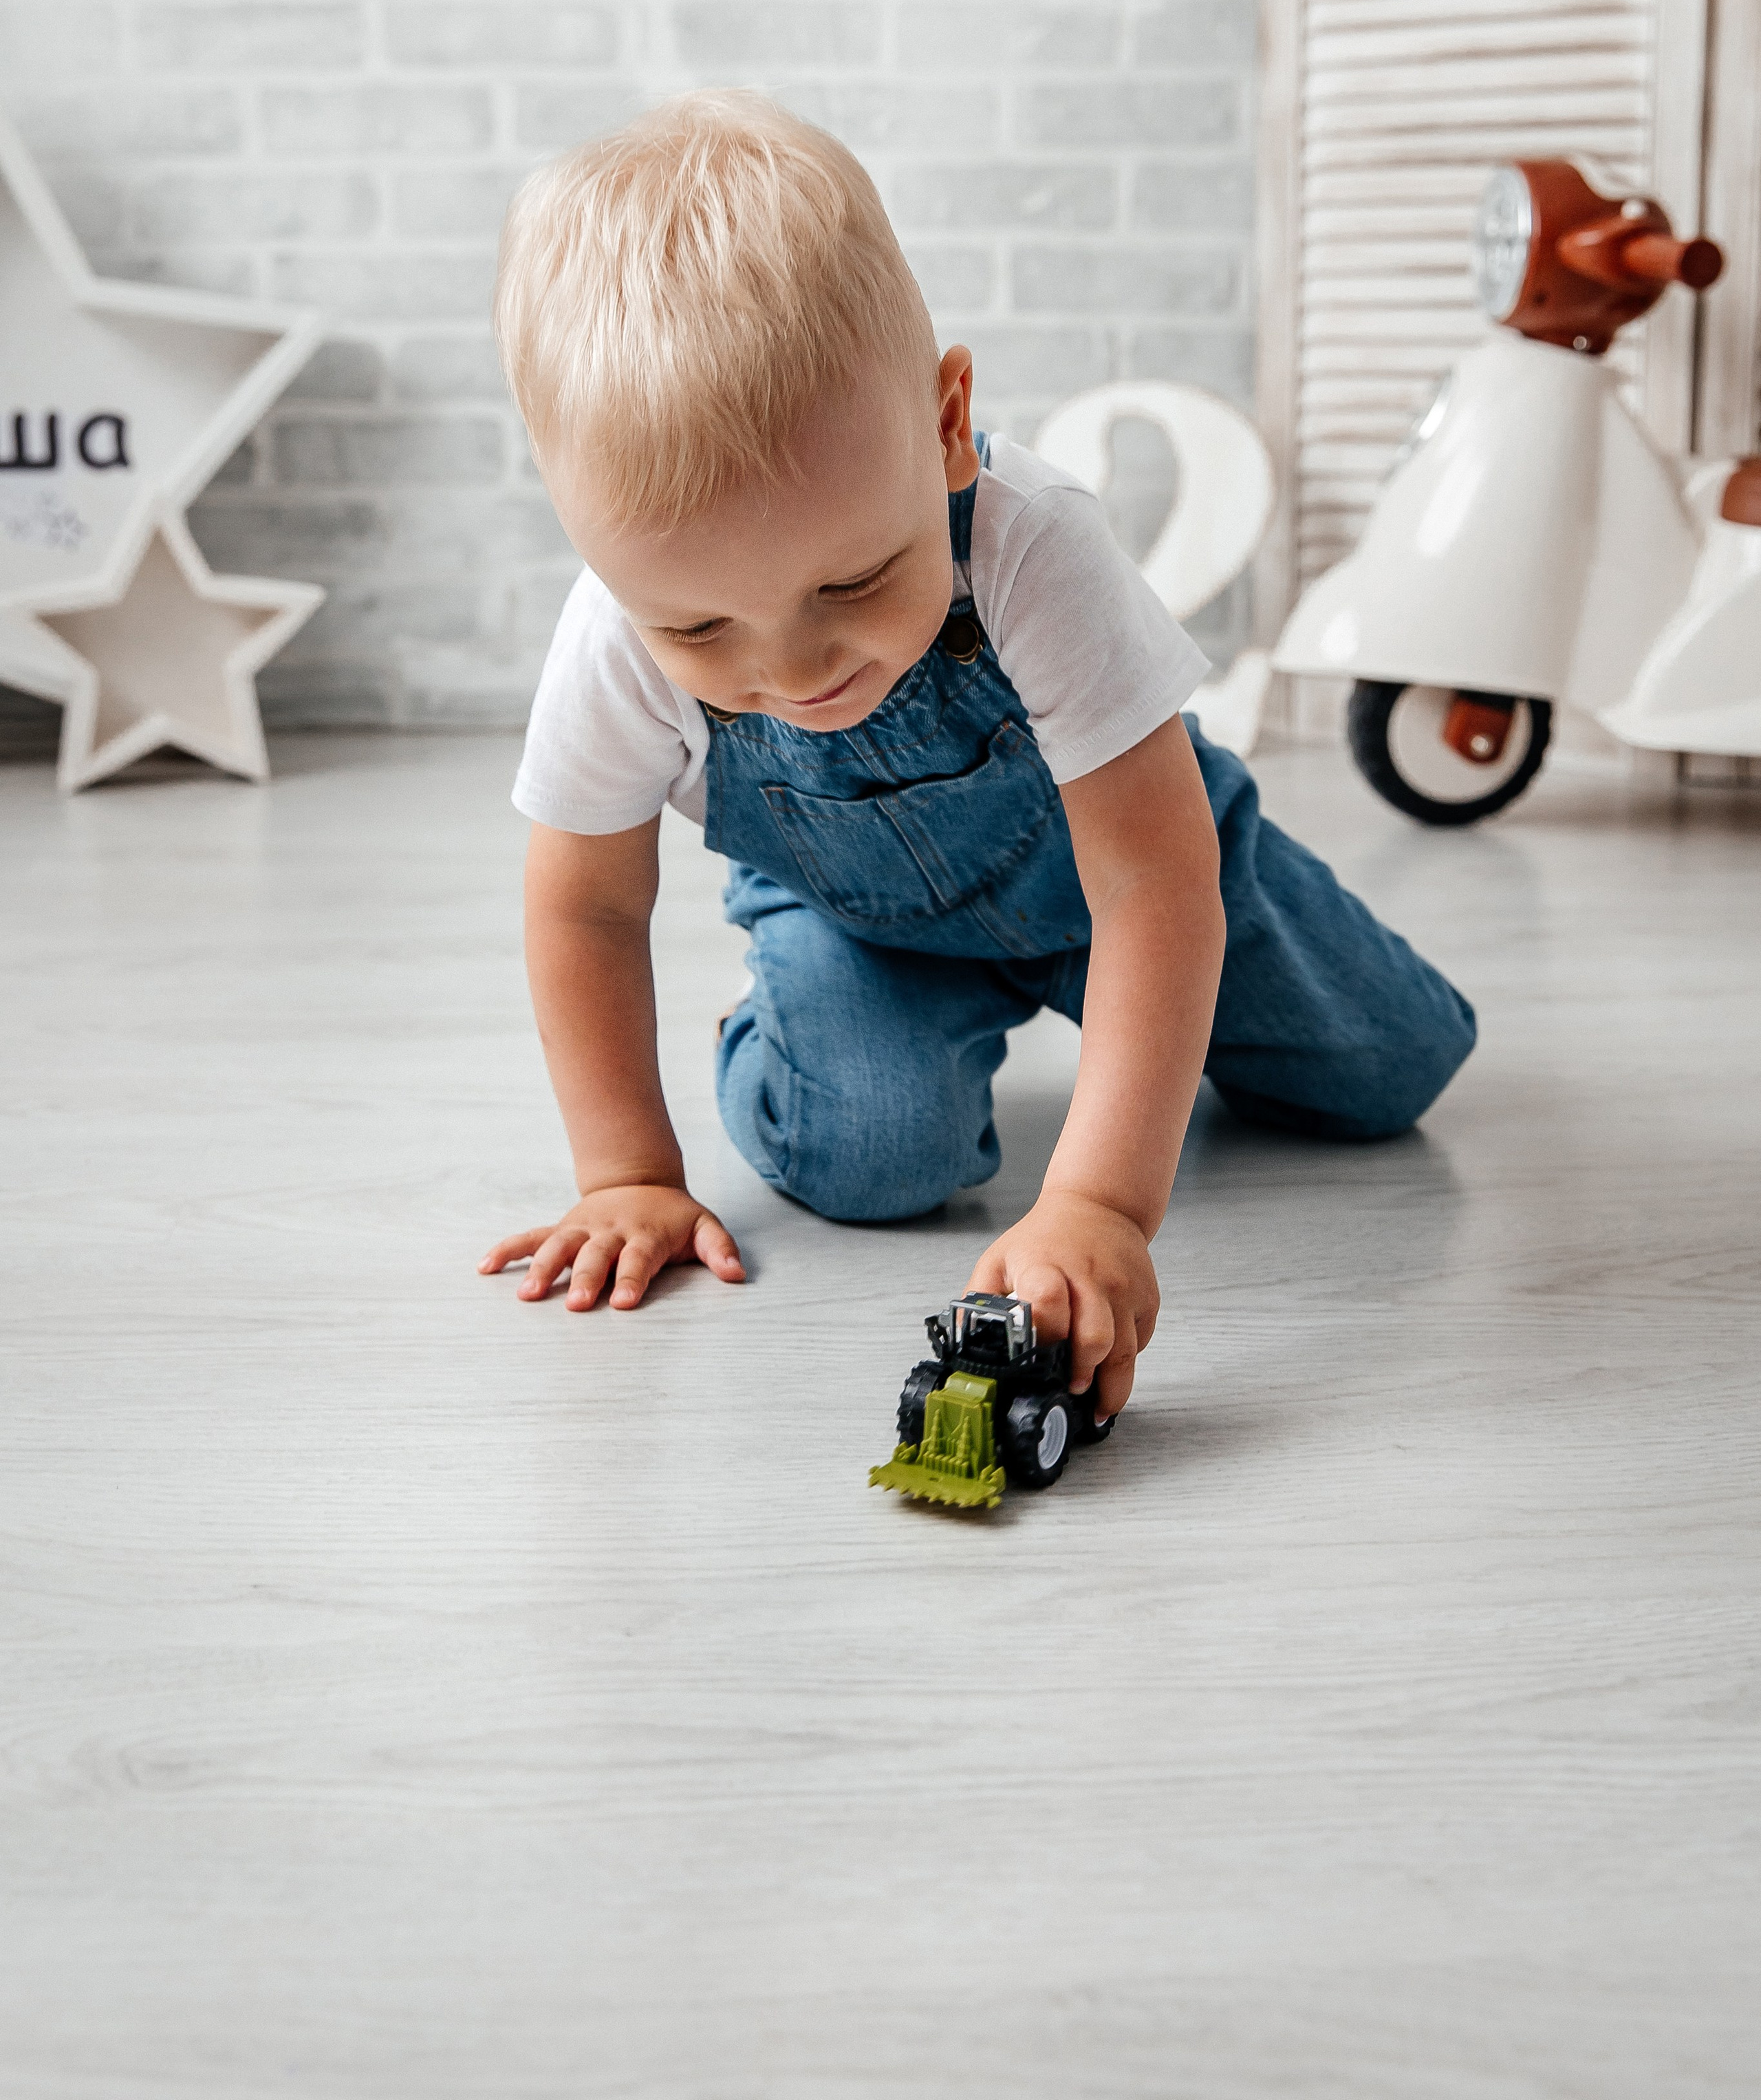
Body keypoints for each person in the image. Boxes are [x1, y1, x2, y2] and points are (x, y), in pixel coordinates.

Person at [479, 92, 1475, 1422]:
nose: (793, 668)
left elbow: (1149, 884)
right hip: (859, 919)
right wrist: (627, 1174)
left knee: (1391, 1074)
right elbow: (586, 906)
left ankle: (1168, 1007)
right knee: (872, 1166)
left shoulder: (1031, 543)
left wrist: (1101, 1204)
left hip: (1129, 856)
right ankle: (785, 1018)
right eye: (702, 627)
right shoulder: (612, 635)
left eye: (855, 579)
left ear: (946, 419)